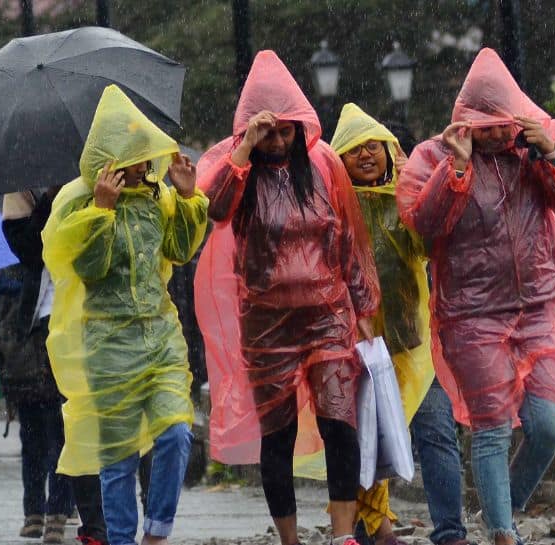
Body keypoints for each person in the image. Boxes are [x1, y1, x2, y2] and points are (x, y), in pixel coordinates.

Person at [396, 48, 555, 545]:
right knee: (491, 426)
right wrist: (457, 170)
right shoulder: (433, 157)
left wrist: (552, 153)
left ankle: (500, 507)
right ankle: (505, 532)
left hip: (537, 306)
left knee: (549, 424)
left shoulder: (541, 142)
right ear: (466, 122)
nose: (498, 134)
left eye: (504, 124)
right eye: (485, 126)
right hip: (470, 314)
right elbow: (424, 224)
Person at [194, 51, 381, 545]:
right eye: (269, 132)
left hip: (327, 317)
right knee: (275, 437)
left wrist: (363, 308)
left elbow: (348, 241)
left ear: (301, 127)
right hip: (267, 324)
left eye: (286, 131)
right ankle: (290, 539)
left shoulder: (323, 168)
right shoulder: (239, 174)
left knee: (339, 424)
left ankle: (344, 535)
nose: (278, 141)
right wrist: (244, 148)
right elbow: (213, 211)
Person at [41, 84, 208, 545]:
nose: (141, 165)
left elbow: (178, 250)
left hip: (159, 338)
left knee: (176, 432)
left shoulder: (159, 199)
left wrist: (190, 198)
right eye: (131, 157)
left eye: (143, 155)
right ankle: (119, 538)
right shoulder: (77, 203)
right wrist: (102, 211)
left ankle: (157, 531)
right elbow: (86, 269)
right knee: (117, 460)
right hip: (107, 346)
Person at [330, 103, 471, 545]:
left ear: (391, 152)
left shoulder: (407, 201)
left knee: (436, 434)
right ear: (338, 162)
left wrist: (442, 181)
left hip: (412, 346)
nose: (366, 154)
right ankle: (367, 530)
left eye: (374, 145)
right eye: (354, 150)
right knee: (364, 443)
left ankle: (450, 532)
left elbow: (431, 242)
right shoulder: (332, 209)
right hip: (358, 348)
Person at [0, 187, 109, 545]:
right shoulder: (22, 194)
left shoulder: (92, 184)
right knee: (35, 434)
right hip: (38, 331)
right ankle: (36, 510)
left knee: (66, 428)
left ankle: (60, 512)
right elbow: (28, 251)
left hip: (83, 321)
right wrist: (47, 206)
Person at [0, 260, 73, 542]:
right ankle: (56, 515)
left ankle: (33, 514)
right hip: (56, 372)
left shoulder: (8, 276)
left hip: (22, 375)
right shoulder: (62, 269)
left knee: (33, 446)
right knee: (59, 444)